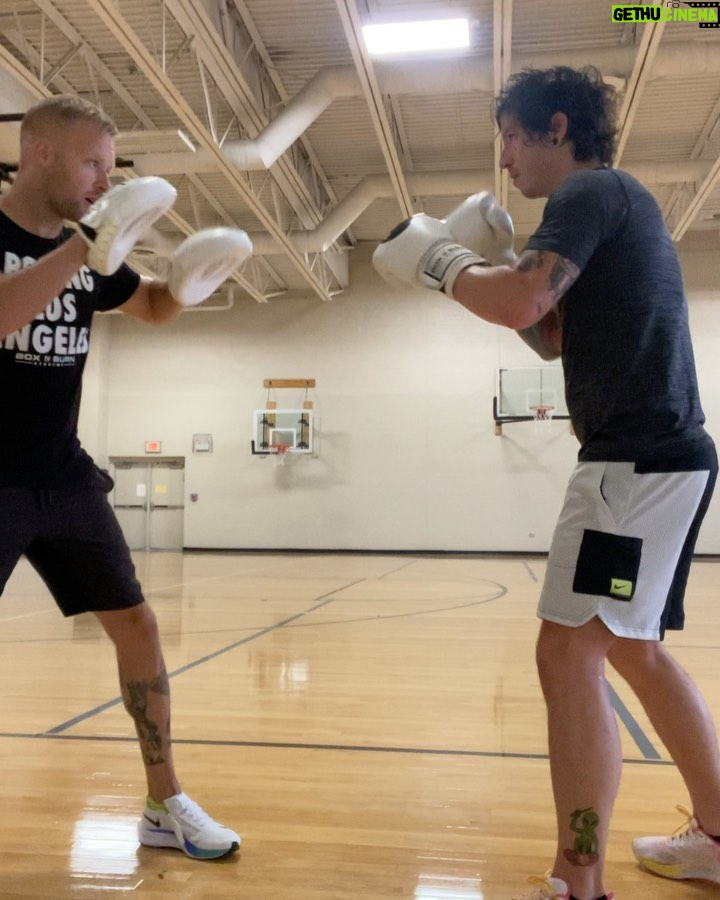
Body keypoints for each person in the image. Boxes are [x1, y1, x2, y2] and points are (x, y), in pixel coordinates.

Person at [372, 65, 720, 900]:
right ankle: (718, 833)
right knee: (631, 650)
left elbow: (524, 301)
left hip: (632, 466)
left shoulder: (592, 192)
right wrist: (481, 265)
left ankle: (579, 876)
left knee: (567, 651)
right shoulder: (610, 203)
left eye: (513, 138)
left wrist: (441, 259)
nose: (505, 160)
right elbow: (551, 335)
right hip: (660, 457)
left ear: (555, 128)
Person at [0, 94, 252, 861]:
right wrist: (84, 246)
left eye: (110, 171)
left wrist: (187, 284)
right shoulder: (62, 243)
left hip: (62, 473)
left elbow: (147, 305)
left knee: (136, 623)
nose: (102, 184)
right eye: (91, 165)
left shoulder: (91, 247)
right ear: (39, 151)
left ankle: (163, 800)